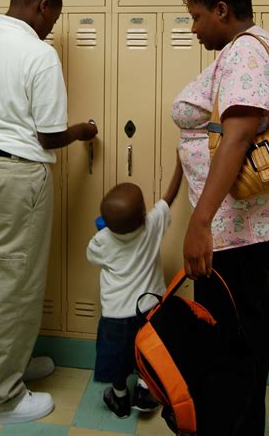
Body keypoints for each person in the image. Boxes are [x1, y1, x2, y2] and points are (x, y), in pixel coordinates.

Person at [172, 0, 269, 435]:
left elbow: (236, 139)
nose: (193, 28)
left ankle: (233, 425)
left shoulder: (246, 54)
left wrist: (199, 224)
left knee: (231, 336)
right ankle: (238, 422)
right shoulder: (248, 48)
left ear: (222, 9)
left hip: (235, 229)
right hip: (239, 224)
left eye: (196, 17)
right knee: (240, 328)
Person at [0, 0, 98, 428]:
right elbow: (49, 135)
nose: (53, 25)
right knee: (12, 284)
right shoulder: (39, 53)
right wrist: (83, 131)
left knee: (0, 276)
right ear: (41, 5)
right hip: (16, 173)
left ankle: (11, 365)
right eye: (53, 15)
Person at [87, 154, 183, 419]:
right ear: (143, 215)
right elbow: (168, 199)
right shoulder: (151, 227)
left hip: (116, 316)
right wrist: (179, 166)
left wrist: (104, 230)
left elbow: (92, 257)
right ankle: (144, 390)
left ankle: (119, 399)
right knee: (148, 353)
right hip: (151, 309)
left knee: (119, 360)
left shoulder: (102, 240)